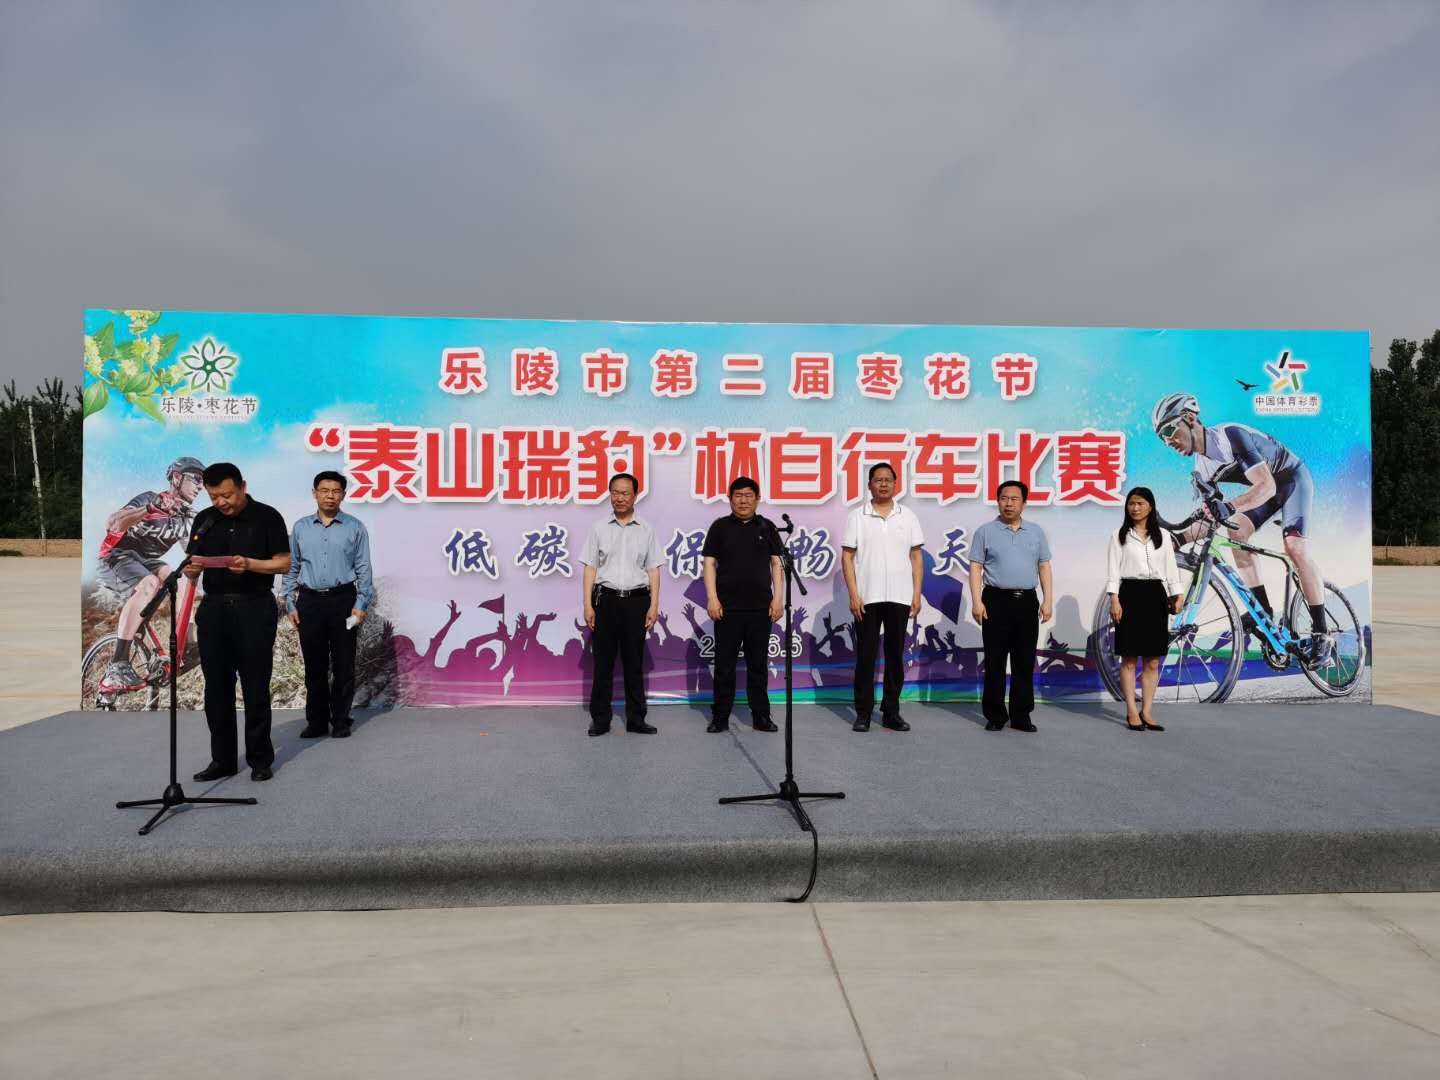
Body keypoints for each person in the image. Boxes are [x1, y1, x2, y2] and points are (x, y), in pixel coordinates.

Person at [1153, 392, 1331, 660]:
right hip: (1266, 490)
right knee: (1234, 529)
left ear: (1189, 418)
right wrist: (1179, 539)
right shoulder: (1201, 471)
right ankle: (1263, 612)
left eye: (1169, 430)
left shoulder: (1230, 436)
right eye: (1161, 437)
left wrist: (1230, 506)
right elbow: (1211, 518)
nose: (1168, 441)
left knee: (1294, 548)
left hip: (1292, 480)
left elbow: (1267, 486)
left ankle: (1322, 634)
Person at [184, 463, 290, 783]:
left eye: (227, 495)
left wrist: (251, 565)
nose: (221, 502)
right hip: (214, 609)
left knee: (255, 685)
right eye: (214, 496)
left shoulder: (267, 517)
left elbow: (284, 563)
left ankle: (260, 759)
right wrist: (191, 568)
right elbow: (191, 561)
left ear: (243, 486)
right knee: (216, 689)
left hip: (253, 608)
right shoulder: (205, 519)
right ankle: (223, 760)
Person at [279, 471, 375, 740]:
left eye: (336, 491)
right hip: (309, 601)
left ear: (343, 494)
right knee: (315, 665)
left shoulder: (355, 527)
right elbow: (292, 567)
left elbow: (363, 567)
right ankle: (317, 721)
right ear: (314, 493)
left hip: (343, 600)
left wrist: (361, 603)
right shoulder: (300, 527)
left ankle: (341, 720)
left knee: (344, 664)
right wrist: (290, 602)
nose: (330, 496)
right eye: (324, 490)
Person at [96, 456, 205, 690]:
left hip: (146, 561)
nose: (200, 486)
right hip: (116, 555)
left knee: (181, 582)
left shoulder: (186, 517)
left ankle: (188, 645)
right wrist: (149, 508)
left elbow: (193, 555)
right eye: (196, 479)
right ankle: (117, 665)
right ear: (177, 478)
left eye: (203, 482)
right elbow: (112, 524)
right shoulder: (150, 499)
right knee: (150, 584)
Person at [841, 462, 924, 732]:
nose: (884, 484)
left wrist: (916, 593)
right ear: (870, 485)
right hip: (867, 597)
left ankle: (891, 712)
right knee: (865, 656)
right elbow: (847, 557)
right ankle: (863, 713)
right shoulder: (857, 516)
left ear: (895, 484)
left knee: (895, 656)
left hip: (900, 596)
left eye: (888, 479)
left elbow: (916, 557)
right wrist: (854, 594)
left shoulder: (907, 516)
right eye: (878, 479)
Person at [580, 472, 663, 736]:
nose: (619, 498)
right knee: (603, 663)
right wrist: (587, 605)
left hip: (637, 601)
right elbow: (590, 568)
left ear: (635, 496)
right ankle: (600, 719)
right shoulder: (598, 528)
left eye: (625, 493)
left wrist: (653, 606)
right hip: (605, 601)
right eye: (615, 492)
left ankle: (636, 719)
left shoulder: (647, 530)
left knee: (634, 663)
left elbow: (653, 570)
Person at [968, 480, 1053, 732]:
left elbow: (1044, 566)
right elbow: (976, 567)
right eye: (1004, 498)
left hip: (1026, 601)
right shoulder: (985, 531)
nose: (1009, 503)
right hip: (995, 601)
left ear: (1024, 503)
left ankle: (1021, 715)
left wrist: (1048, 599)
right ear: (998, 501)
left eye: (1014, 499)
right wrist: (977, 601)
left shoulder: (1036, 532)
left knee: (1024, 660)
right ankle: (995, 715)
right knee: (995, 660)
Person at [701, 476, 783, 733]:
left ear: (757, 499)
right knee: (724, 665)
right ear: (730, 499)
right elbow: (709, 564)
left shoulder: (767, 527)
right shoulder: (720, 527)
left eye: (749, 495)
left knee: (758, 665)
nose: (743, 500)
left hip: (760, 608)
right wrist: (712, 598)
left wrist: (778, 598)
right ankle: (720, 717)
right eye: (738, 495)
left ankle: (761, 716)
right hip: (727, 609)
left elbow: (777, 563)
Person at [1105, 486, 1183, 731]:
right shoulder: (1119, 535)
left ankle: (1147, 710)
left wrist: (1177, 594)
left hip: (1156, 596)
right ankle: (1131, 710)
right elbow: (1113, 570)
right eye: (1131, 503)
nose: (1135, 508)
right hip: (1129, 595)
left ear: (1150, 506)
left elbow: (1171, 567)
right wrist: (1114, 599)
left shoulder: (1164, 536)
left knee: (1152, 661)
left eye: (1140, 503)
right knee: (1129, 658)